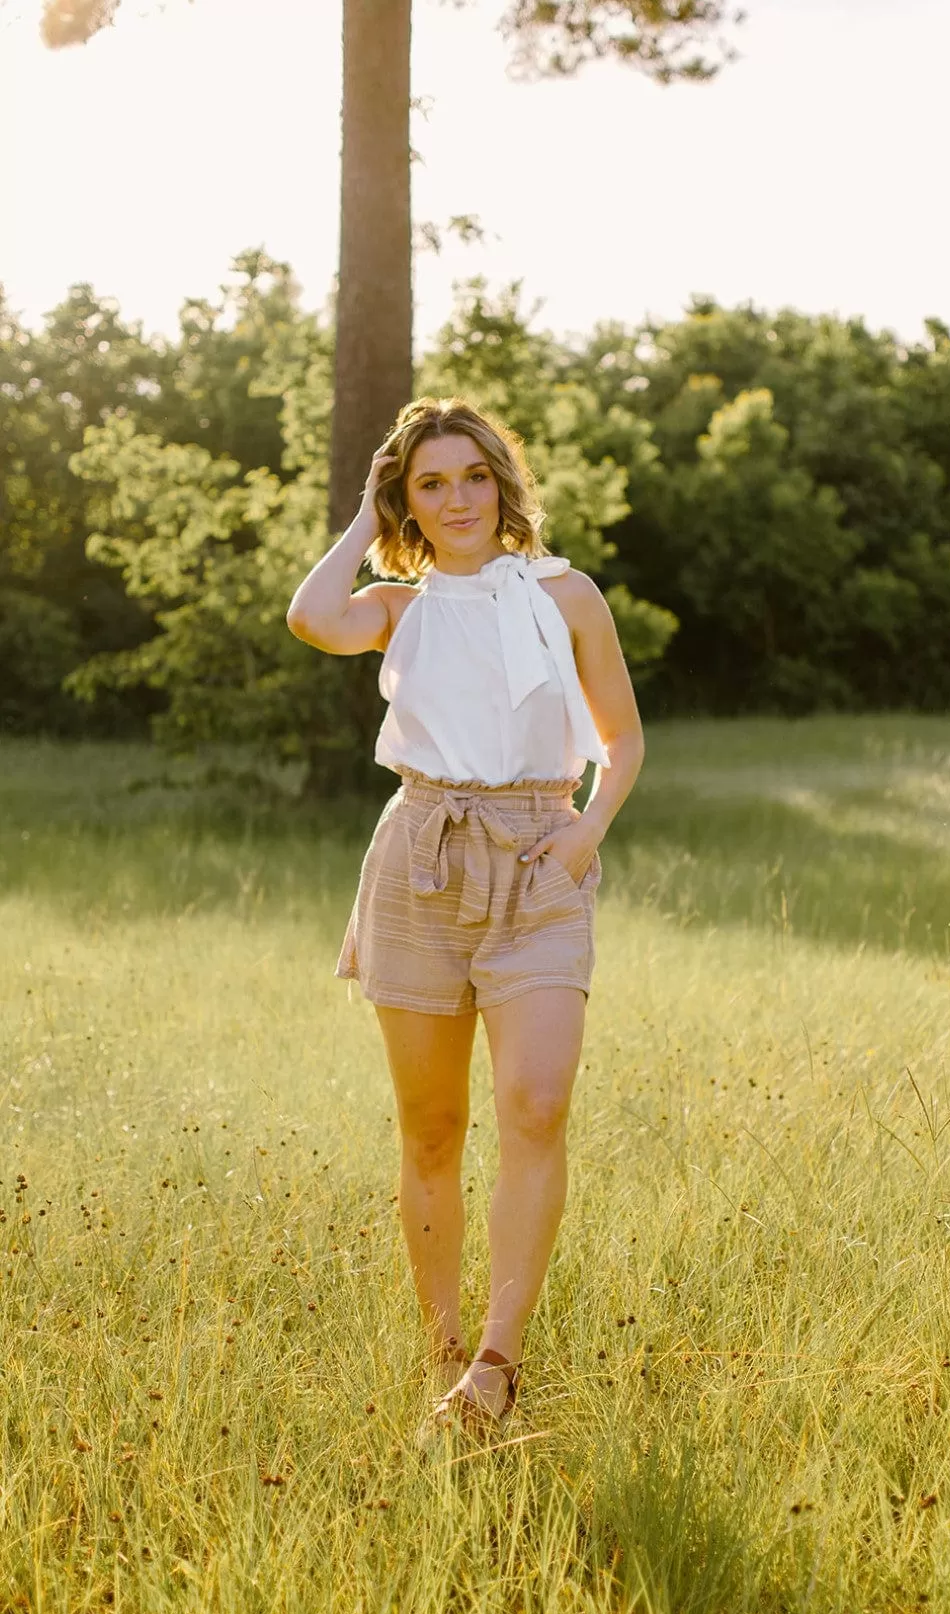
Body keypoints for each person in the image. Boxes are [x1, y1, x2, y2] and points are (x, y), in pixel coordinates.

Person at [286, 396, 645, 1440]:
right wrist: (363, 516)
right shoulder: (398, 606)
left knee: (534, 1102)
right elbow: (313, 616)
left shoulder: (566, 594)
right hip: (420, 857)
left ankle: (497, 1358)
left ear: (502, 481)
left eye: (472, 476)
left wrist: (584, 835)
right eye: (430, 482)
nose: (455, 499)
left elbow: (623, 743)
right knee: (433, 1125)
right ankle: (441, 1344)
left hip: (539, 857)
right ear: (409, 497)